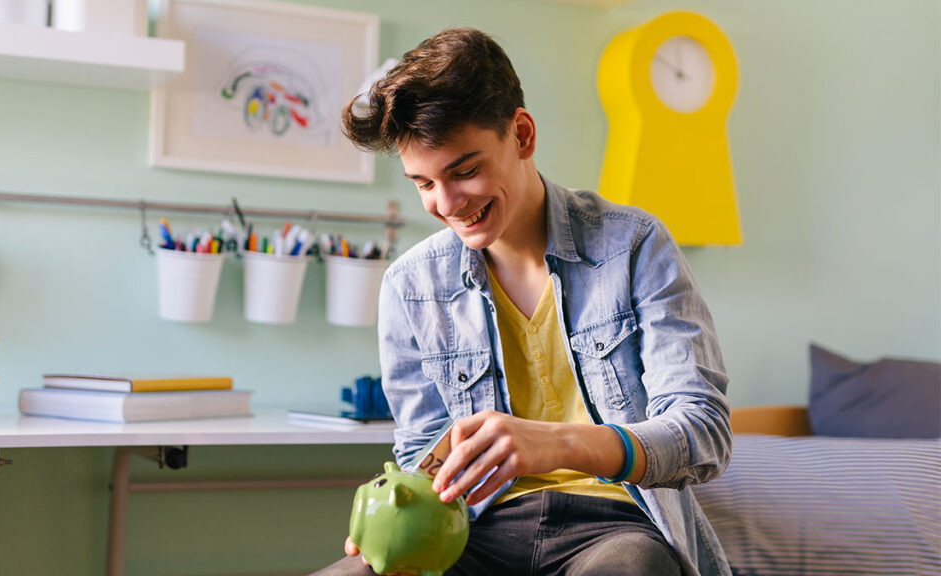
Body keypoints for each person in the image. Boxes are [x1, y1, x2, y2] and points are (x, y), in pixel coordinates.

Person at [314, 27, 733, 576]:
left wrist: (556, 443)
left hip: (617, 528)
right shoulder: (410, 285)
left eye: (465, 171)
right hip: (474, 535)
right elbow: (425, 456)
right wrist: (397, 513)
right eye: (424, 183)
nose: (446, 204)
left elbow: (703, 433)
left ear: (523, 135)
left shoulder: (634, 246)